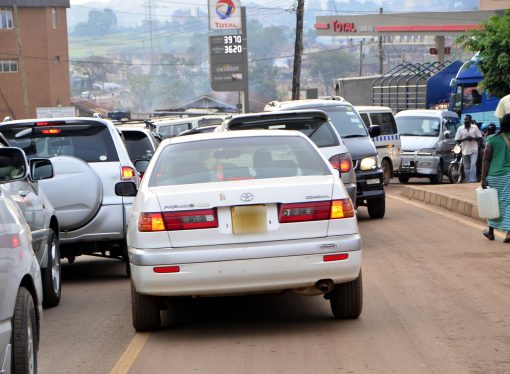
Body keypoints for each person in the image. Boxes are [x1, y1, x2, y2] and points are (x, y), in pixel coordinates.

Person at [480, 113, 510, 243]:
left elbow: (486, 159)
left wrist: (483, 178)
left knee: (492, 203)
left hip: (494, 176)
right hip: (508, 176)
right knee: (508, 203)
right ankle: (509, 233)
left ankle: (491, 232)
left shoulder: (492, 139)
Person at [455, 114, 482, 183]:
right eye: (464, 119)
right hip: (465, 150)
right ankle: (468, 179)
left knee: (473, 164)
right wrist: (465, 139)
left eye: (467, 119)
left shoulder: (475, 127)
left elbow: (480, 137)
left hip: (474, 149)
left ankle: (472, 180)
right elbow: (457, 140)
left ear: (470, 120)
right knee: (466, 166)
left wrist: (472, 138)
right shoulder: (460, 128)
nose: (465, 120)